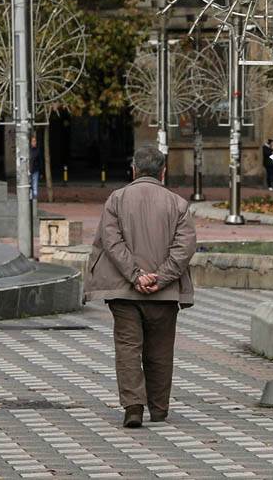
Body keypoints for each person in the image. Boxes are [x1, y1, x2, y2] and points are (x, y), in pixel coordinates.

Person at [84, 144, 197, 428]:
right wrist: (161, 277)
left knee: (128, 348)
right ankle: (159, 408)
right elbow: (184, 248)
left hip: (124, 291)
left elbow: (111, 242)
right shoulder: (178, 204)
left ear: (134, 169)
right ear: (163, 171)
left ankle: (133, 407)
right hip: (166, 292)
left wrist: (136, 276)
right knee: (160, 351)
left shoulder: (116, 200)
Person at [29, 134, 42, 199]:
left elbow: (40, 162)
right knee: (30, 186)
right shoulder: (28, 150)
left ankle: (34, 201)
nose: (34, 143)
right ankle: (31, 200)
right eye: (33, 141)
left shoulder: (38, 150)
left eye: (35, 141)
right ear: (30, 142)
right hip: (29, 171)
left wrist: (41, 172)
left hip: (35, 170)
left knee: (35, 186)